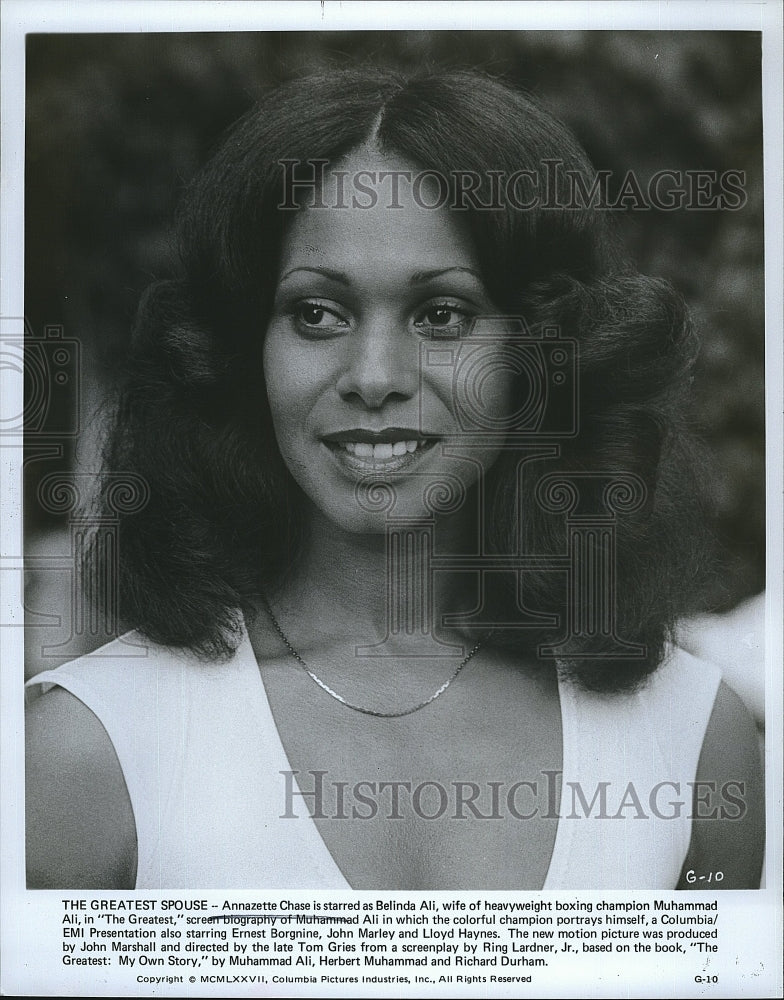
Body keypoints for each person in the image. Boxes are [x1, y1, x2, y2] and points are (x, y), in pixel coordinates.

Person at [25, 67, 764, 891]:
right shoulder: (89, 751)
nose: (374, 375)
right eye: (317, 313)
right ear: (244, 352)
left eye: (443, 314)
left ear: (543, 353)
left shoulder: (692, 741)